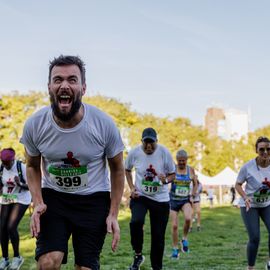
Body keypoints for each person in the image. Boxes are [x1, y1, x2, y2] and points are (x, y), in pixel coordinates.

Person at [20, 55, 125, 270]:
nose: (64, 85)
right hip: (54, 199)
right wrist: (38, 201)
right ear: (49, 87)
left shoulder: (103, 124)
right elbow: (31, 165)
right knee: (48, 262)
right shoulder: (34, 125)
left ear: (83, 88)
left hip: (93, 200)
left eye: (72, 80)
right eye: (58, 80)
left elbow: (117, 169)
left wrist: (113, 213)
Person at [125, 127, 175, 270]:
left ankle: (156, 267)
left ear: (156, 141)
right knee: (136, 222)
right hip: (140, 196)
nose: (148, 146)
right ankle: (138, 255)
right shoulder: (134, 152)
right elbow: (127, 169)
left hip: (160, 199)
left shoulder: (164, 152)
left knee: (158, 236)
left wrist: (165, 180)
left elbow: (173, 174)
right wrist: (132, 188)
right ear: (141, 141)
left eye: (151, 143)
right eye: (145, 143)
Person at [235, 136, 270, 270]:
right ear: (256, 150)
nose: (265, 152)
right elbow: (238, 184)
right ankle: (251, 267)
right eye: (262, 149)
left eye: (268, 149)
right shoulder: (248, 167)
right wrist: (245, 197)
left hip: (267, 204)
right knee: (255, 238)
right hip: (249, 205)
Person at [0, 148, 31, 270]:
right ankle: (5, 259)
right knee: (2, 227)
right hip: (8, 198)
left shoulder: (21, 167)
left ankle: (17, 257)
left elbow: (30, 186)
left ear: (12, 160)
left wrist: (20, 184)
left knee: (11, 227)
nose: (5, 165)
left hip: (21, 198)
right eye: (3, 163)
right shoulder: (1, 168)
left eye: (7, 163)